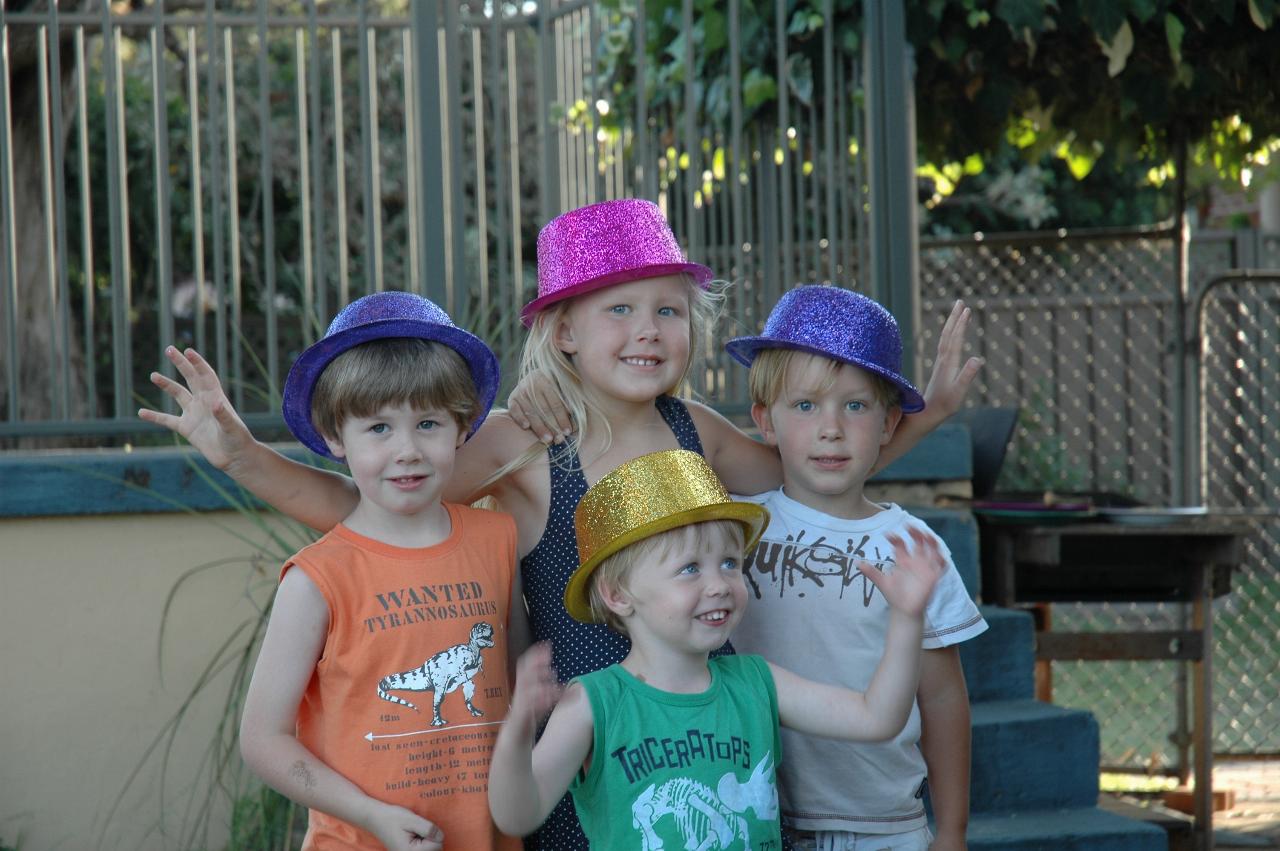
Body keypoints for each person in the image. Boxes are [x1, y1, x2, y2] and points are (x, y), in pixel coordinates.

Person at [139, 198, 981, 849]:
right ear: (565, 328)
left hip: (710, 743)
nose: (647, 330)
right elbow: (368, 511)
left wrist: (931, 414)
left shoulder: (700, 430)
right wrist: (242, 456)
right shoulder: (528, 438)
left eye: (668, 309)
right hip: (585, 762)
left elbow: (819, 464)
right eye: (618, 309)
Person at [488, 449, 948, 849]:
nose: (720, 585)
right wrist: (518, 726)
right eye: (690, 568)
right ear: (618, 595)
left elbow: (878, 718)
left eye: (730, 563)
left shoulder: (757, 683)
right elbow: (518, 815)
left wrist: (907, 619)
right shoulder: (593, 702)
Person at [234, 291, 527, 850]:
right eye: (378, 429)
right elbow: (262, 740)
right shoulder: (315, 579)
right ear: (333, 437)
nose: (408, 450)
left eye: (428, 423)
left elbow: (514, 679)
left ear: (463, 428)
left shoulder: (498, 538)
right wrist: (369, 814)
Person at [725, 285, 989, 851]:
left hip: (885, 827)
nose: (831, 428)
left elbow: (942, 699)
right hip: (754, 821)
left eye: (855, 405)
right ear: (764, 421)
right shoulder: (732, 531)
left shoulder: (915, 547)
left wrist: (953, 832)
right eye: (804, 405)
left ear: (889, 424)